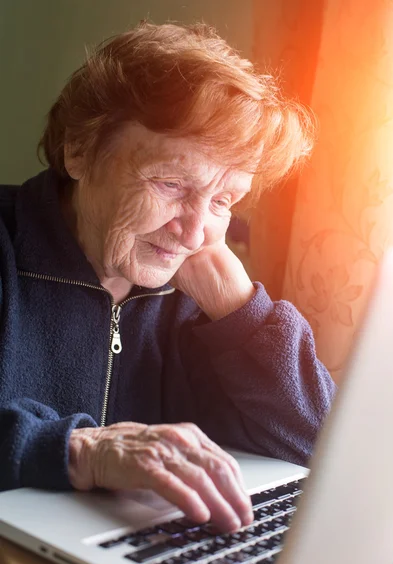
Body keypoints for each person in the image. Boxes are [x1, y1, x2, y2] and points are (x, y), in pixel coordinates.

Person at [0, 21, 336, 537]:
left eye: (224, 200)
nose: (196, 232)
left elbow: (321, 447)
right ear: (80, 151)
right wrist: (80, 450)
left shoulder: (199, 294)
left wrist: (242, 309)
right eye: (172, 182)